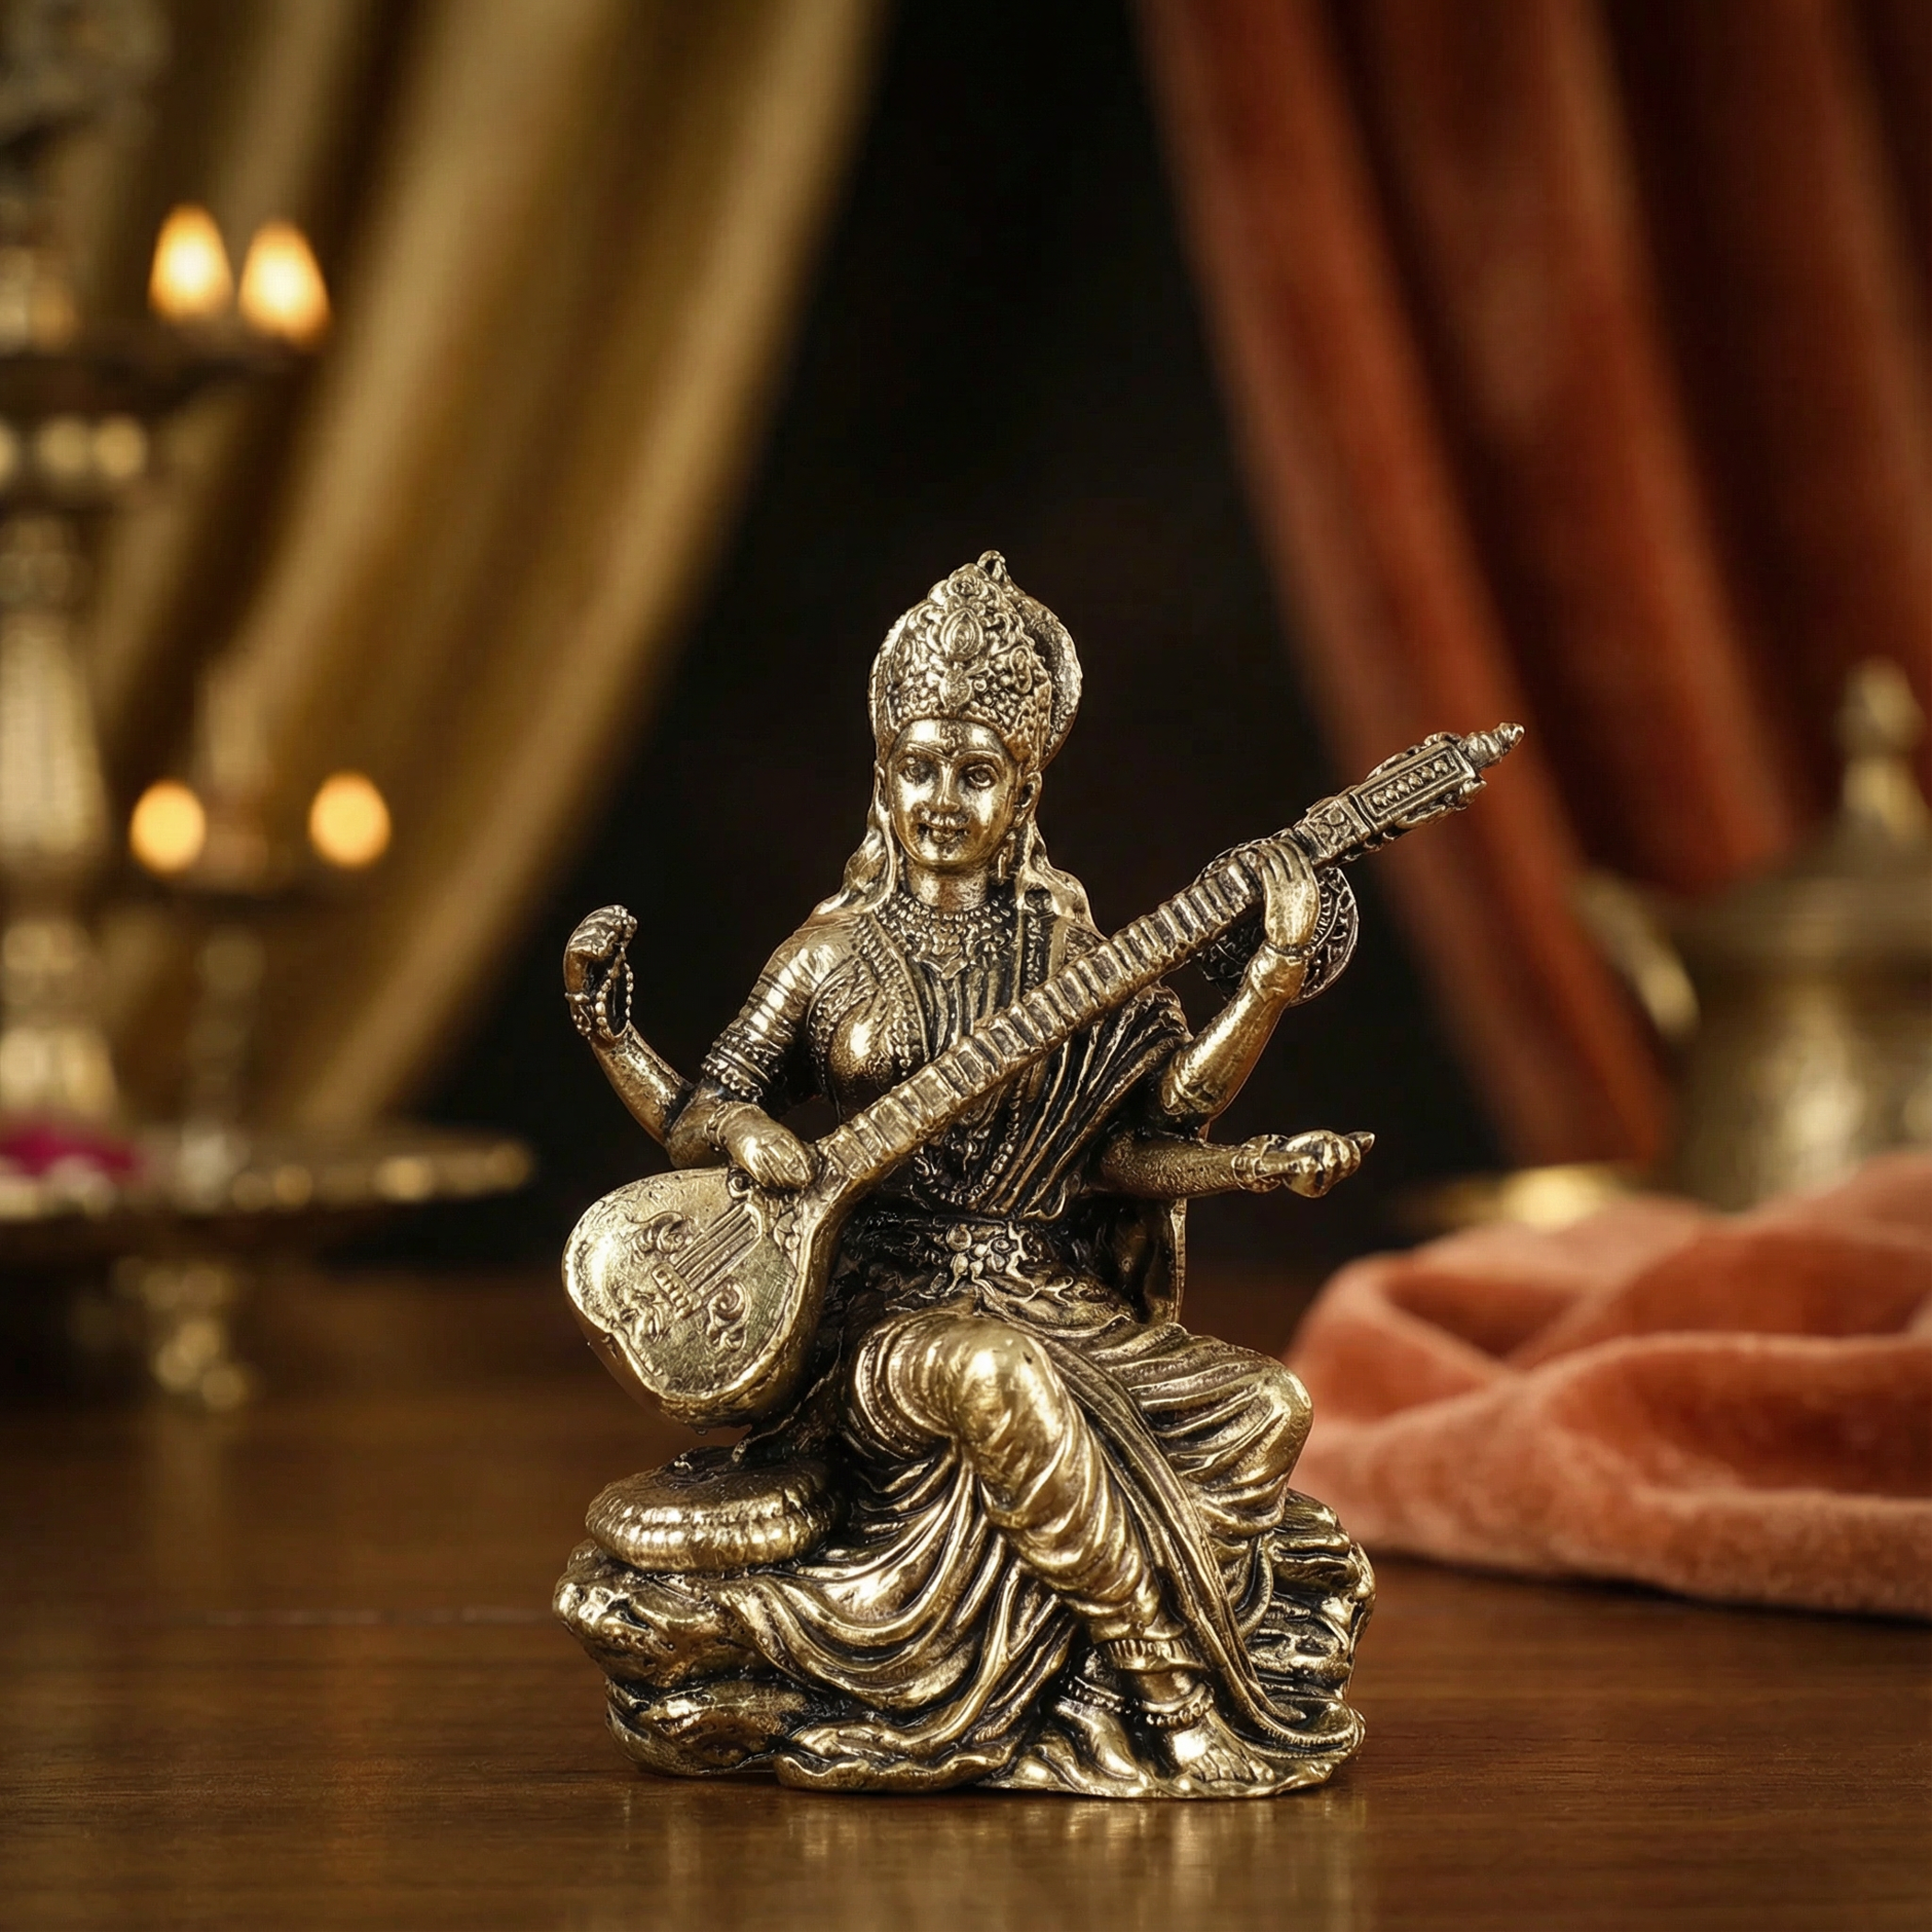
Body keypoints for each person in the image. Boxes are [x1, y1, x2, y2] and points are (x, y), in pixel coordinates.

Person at [558, 553, 1372, 1797]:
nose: (944, 796)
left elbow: (1139, 1138)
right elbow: (702, 1117)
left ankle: (1065, 1664)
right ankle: (1166, 1691)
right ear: (882, 777)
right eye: (917, 765)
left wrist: (1264, 998)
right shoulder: (832, 951)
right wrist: (638, 1055)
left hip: (1053, 1296)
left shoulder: (1069, 950)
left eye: (977, 771)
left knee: (1268, 1405)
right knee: (991, 1375)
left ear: (1025, 787)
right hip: (882, 1320)